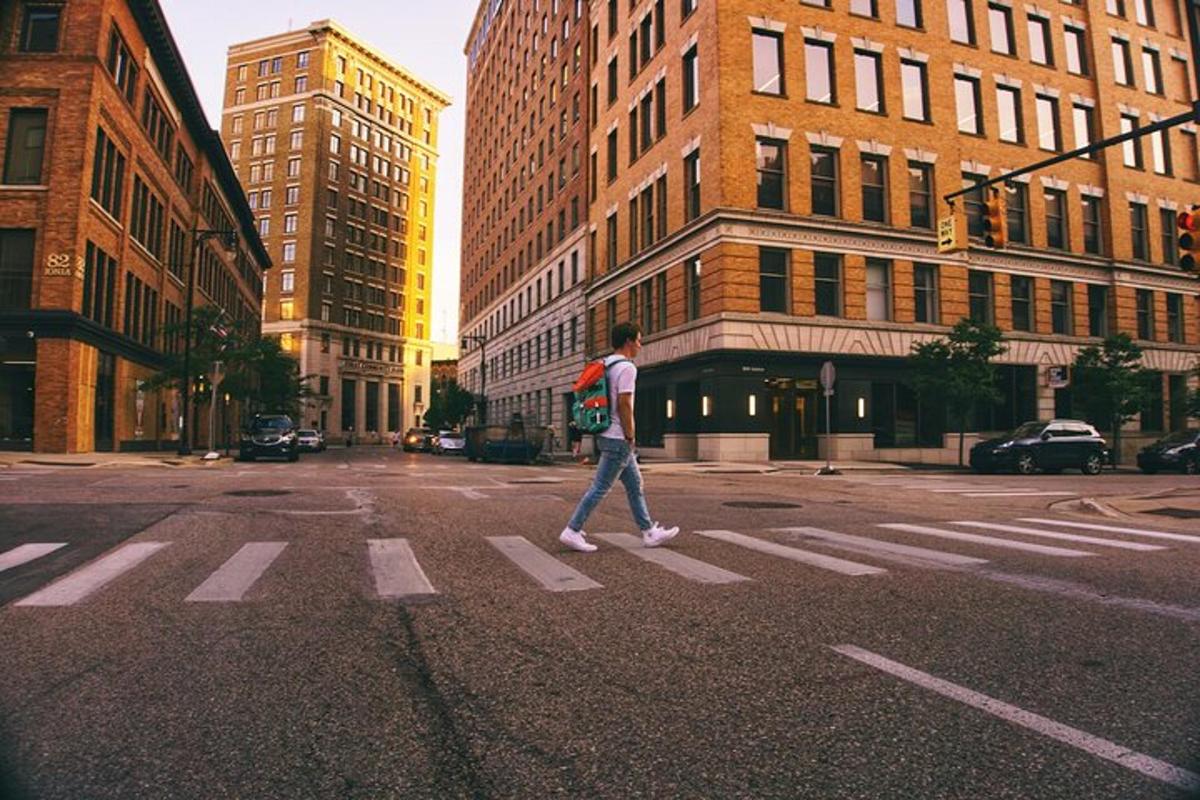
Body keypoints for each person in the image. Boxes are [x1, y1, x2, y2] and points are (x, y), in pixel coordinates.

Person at [560, 321, 679, 553]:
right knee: (601, 487)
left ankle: (649, 532)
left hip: (605, 432)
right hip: (618, 437)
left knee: (635, 485)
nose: (640, 345)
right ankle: (572, 530)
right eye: (638, 340)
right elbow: (624, 403)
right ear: (628, 341)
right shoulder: (627, 368)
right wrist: (630, 435)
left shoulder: (606, 364)